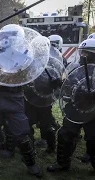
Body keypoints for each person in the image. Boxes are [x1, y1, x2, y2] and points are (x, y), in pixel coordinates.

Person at [0, 23, 42, 177]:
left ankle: (31, 164)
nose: (6, 40)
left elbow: (28, 74)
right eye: (4, 37)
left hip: (14, 98)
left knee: (22, 134)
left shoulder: (26, 56)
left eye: (10, 37)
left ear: (17, 38)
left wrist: (11, 76)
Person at [47, 38, 95, 172]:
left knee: (93, 139)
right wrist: (59, 83)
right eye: (82, 52)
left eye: (87, 53)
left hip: (93, 112)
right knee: (65, 134)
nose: (83, 56)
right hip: (76, 106)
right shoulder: (75, 67)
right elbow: (67, 85)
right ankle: (62, 163)